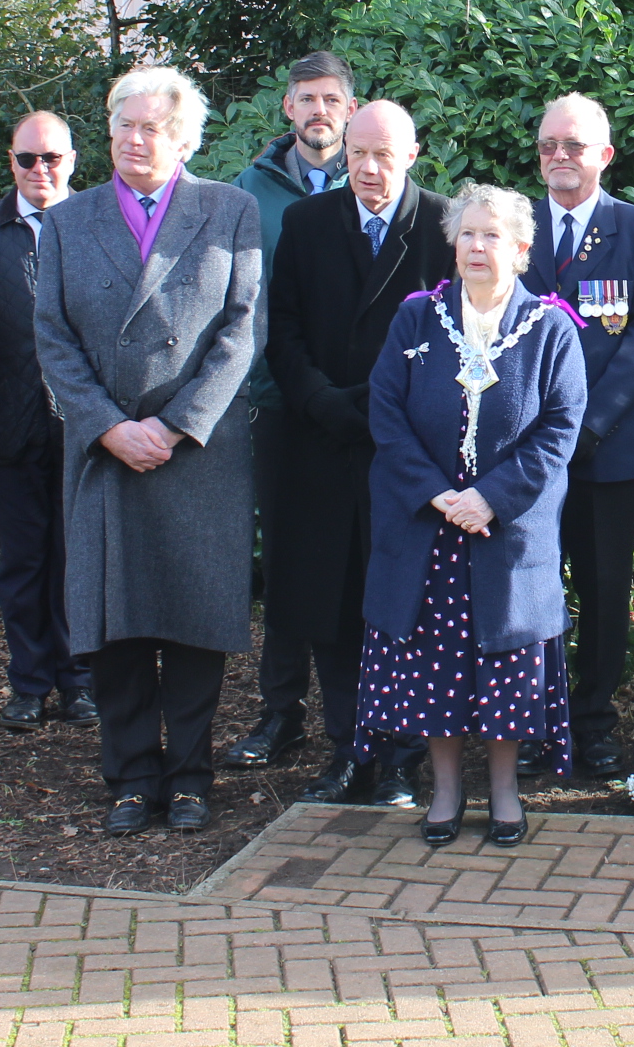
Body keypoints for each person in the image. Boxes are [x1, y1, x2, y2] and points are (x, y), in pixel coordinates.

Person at [31, 66, 265, 835]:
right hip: (106, 453)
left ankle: (191, 778)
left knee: (195, 620)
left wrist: (176, 425)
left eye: (151, 127)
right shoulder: (68, 221)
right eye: (123, 125)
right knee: (117, 622)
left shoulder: (229, 210)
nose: (134, 139)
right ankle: (131, 777)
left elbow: (241, 329)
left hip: (198, 453)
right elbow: (52, 339)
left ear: (187, 138)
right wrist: (106, 425)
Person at [359, 184, 585, 848]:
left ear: (520, 251)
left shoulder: (551, 330)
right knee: (437, 663)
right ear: (452, 245)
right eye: (467, 235)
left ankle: (506, 789)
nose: (477, 247)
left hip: (507, 534)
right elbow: (386, 412)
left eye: (493, 236)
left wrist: (491, 496)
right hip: (430, 530)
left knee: (505, 664)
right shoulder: (416, 320)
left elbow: (560, 427)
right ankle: (448, 789)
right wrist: (437, 494)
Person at [268, 99, 455, 805]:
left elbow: (456, 337)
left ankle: (403, 755)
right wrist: (319, 399)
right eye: (357, 155)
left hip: (407, 452)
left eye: (383, 155)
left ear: (411, 154)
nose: (368, 169)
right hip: (321, 441)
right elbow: (280, 328)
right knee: (333, 604)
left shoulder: (440, 228)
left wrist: (385, 408)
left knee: (405, 607)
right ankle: (349, 749)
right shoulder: (307, 223)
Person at [524, 93, 634, 778]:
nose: (559, 156)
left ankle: (593, 721)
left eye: (574, 146)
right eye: (550, 144)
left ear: (604, 156)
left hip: (606, 449)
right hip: (521, 454)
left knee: (604, 587)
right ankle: (531, 721)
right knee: (526, 588)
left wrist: (587, 424)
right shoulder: (512, 227)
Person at [223, 50, 358, 770]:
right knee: (281, 563)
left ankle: (362, 713)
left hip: (360, 415)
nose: (318, 112)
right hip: (276, 405)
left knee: (352, 565)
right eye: (305, 99)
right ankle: (280, 713)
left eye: (330, 99)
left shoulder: (378, 181)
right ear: (287, 109)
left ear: (350, 109)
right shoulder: (248, 193)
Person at [0, 110, 96, 735]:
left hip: (89, 432)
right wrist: (12, 390)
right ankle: (29, 684)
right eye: (26, 159)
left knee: (79, 560)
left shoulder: (99, 225)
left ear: (72, 161)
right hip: (11, 428)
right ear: (10, 161)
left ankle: (81, 683)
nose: (40, 170)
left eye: (52, 158)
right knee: (23, 562)